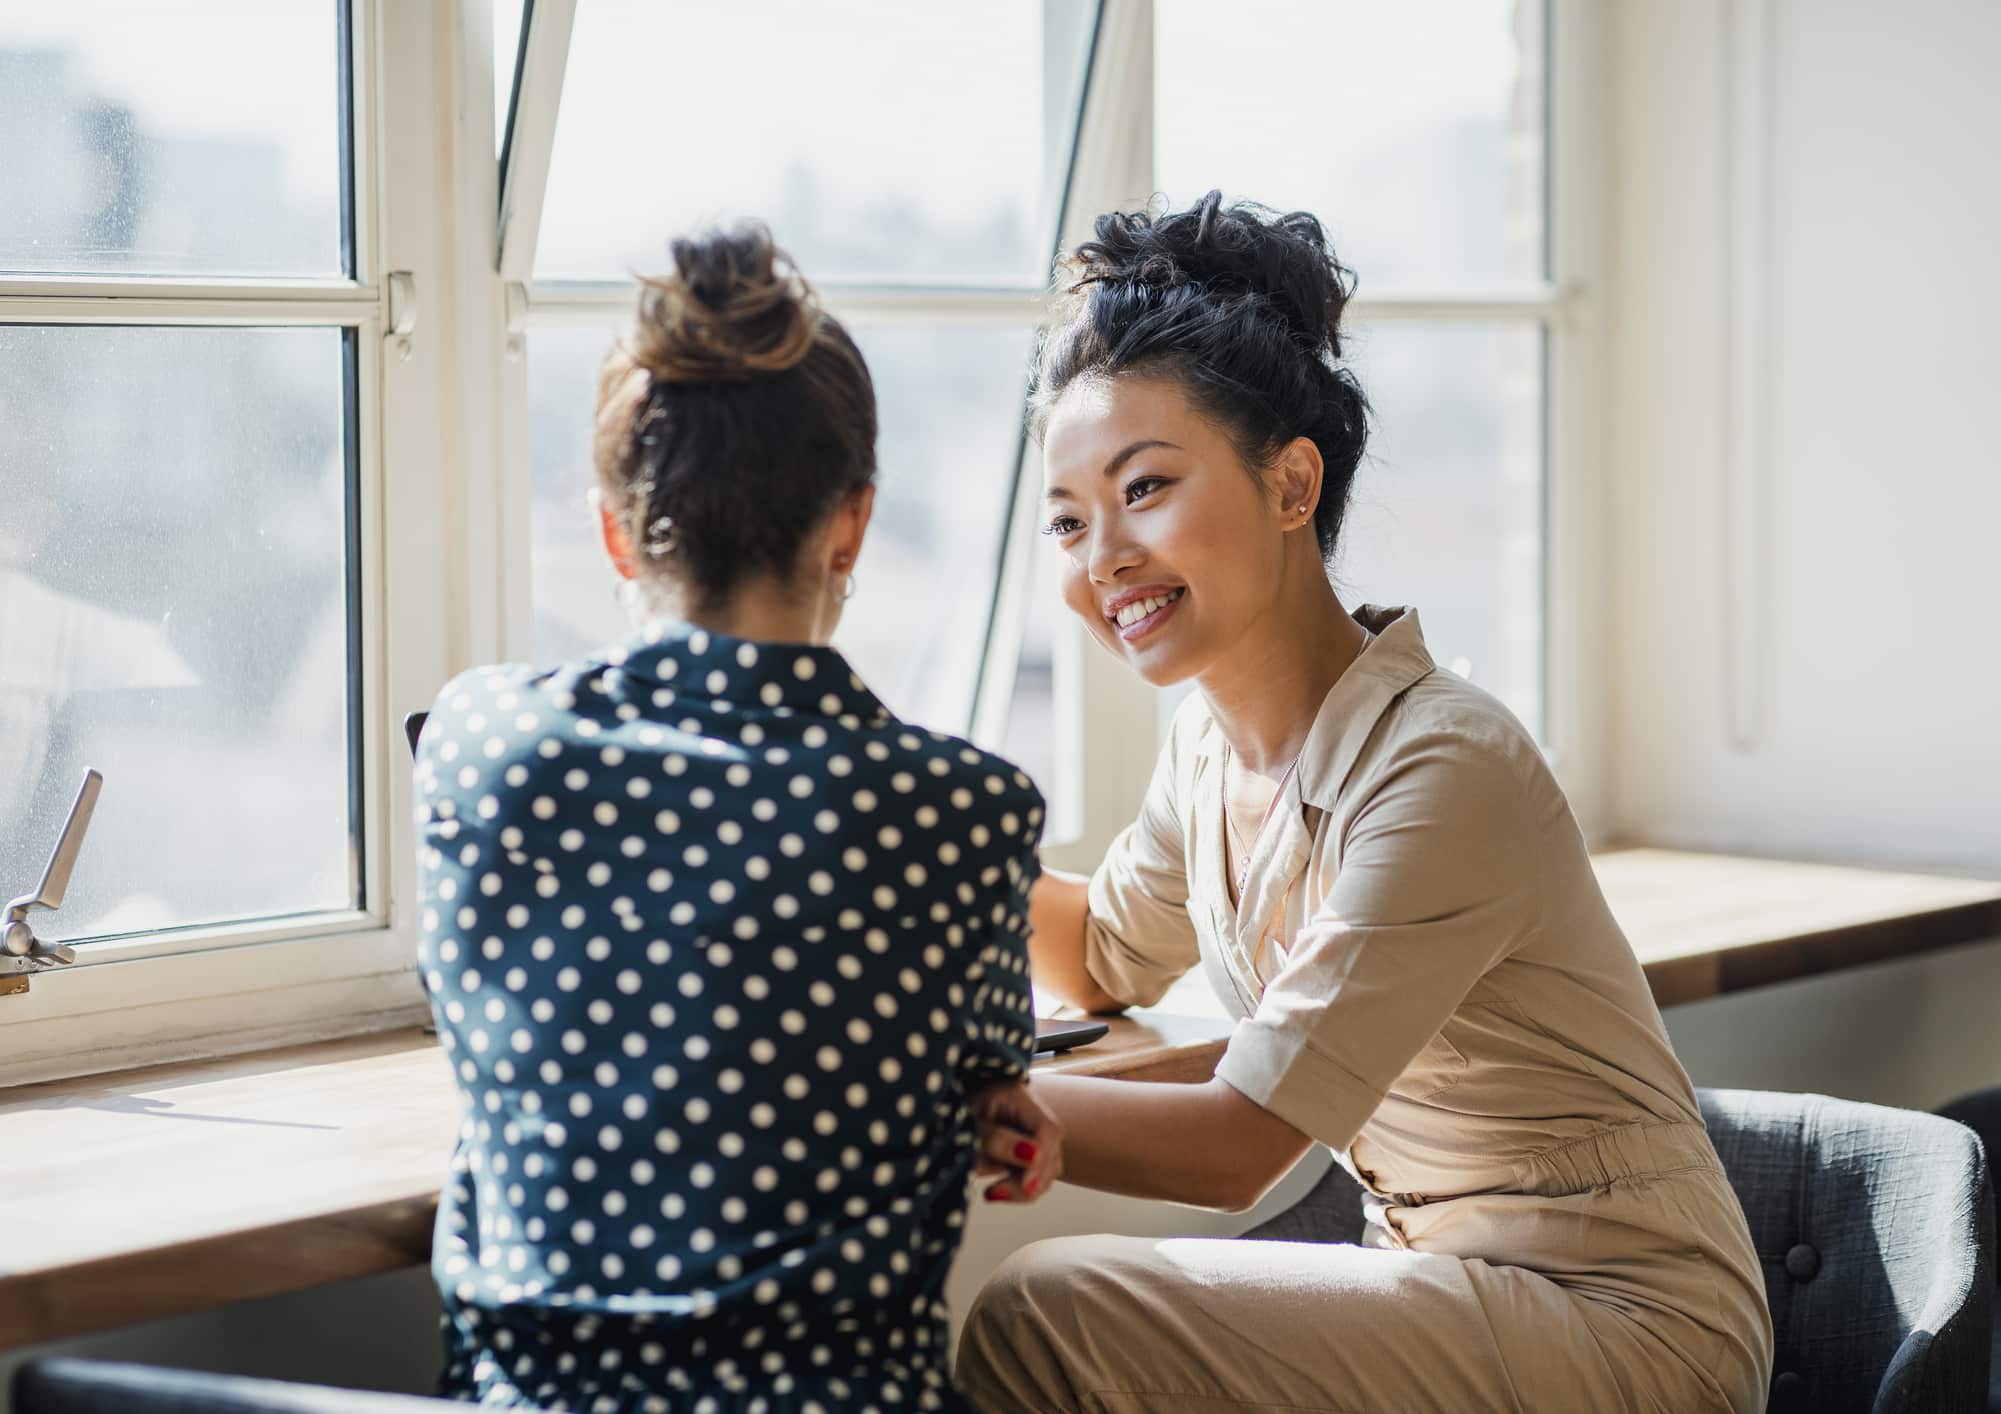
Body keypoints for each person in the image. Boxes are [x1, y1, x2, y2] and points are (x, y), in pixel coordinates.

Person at [955, 193, 1773, 1414]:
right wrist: (926, 826)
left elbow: (1242, 1145)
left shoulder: (1444, 766)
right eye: (1069, 521)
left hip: (1632, 1325)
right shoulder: (1206, 753)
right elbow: (1107, 955)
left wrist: (929, 1098)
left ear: (1293, 486)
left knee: (1046, 1310)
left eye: (1146, 488)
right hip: (1443, 1287)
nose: (1102, 556)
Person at [414, 226, 1062, 1414]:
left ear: (615, 528)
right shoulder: (965, 811)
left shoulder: (477, 743)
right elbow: (988, 1080)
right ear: (850, 525)